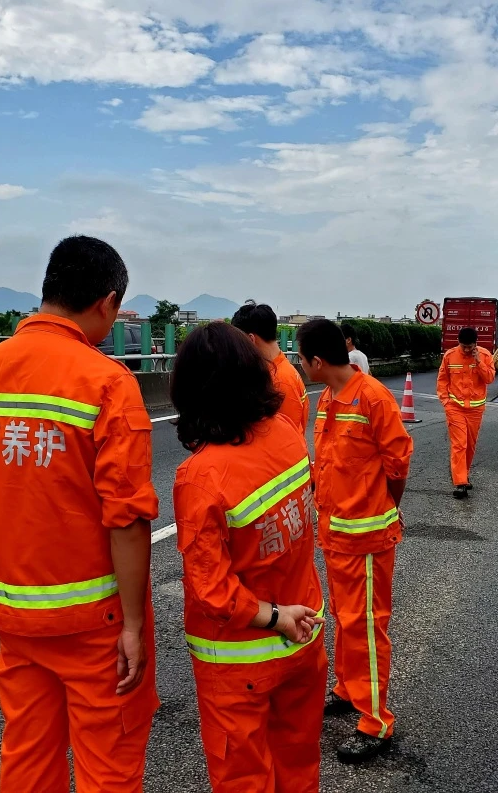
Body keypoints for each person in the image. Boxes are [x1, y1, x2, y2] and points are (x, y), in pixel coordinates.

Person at [0, 236, 159, 793]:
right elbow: (126, 519)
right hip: (92, 619)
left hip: (10, 617)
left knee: (28, 758)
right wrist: (132, 625)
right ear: (107, 302)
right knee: (109, 766)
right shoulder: (107, 384)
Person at [171, 322, 327, 793]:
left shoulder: (200, 476)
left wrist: (272, 616)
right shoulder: (283, 432)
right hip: (305, 635)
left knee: (244, 778)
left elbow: (211, 592)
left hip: (240, 661)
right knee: (298, 765)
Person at [296, 319, 414, 764]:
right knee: (346, 620)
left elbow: (398, 463)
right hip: (337, 535)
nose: (299, 364)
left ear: (318, 361)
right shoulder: (328, 398)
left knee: (365, 626)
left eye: (302, 357)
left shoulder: (373, 398)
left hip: (365, 538)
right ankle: (348, 689)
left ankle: (375, 721)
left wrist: (384, 505)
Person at [231, 301, 310, 432]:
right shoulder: (278, 369)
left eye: (238, 342)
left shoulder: (280, 380)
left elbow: (285, 436)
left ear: (250, 339)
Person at [437, 327, 496, 499]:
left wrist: (478, 362)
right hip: (455, 408)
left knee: (469, 446)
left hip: (476, 410)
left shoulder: (484, 355)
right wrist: (446, 402)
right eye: (464, 347)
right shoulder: (450, 356)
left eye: (470, 347)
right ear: (459, 343)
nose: (467, 350)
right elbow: (442, 380)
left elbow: (490, 378)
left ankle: (464, 474)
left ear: (475, 344)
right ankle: (460, 482)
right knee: (459, 444)